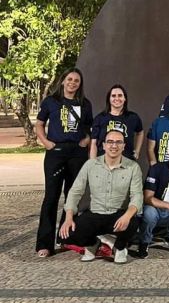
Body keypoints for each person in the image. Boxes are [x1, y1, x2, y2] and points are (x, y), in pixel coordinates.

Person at [58, 130, 143, 264]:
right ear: (103, 145)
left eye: (118, 142)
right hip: (95, 213)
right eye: (110, 142)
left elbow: (137, 196)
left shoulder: (133, 167)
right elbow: (75, 191)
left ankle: (119, 247)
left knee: (133, 223)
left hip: (118, 214)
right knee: (71, 233)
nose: (114, 146)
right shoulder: (90, 165)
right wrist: (68, 217)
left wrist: (127, 216)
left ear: (123, 146)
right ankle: (93, 243)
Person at [35, 67, 93, 258]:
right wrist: (45, 142)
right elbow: (40, 123)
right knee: (51, 197)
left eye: (76, 80)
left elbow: (90, 126)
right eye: (69, 79)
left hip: (77, 153)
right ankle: (45, 244)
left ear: (80, 84)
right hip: (56, 152)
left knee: (72, 196)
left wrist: (86, 140)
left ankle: (66, 238)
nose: (72, 83)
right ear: (63, 81)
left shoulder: (85, 104)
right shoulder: (52, 101)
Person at [89, 84, 144, 160]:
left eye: (120, 95)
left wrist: (137, 151)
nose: (117, 98)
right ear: (109, 99)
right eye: (113, 96)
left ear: (125, 98)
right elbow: (93, 143)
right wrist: (93, 163)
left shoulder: (133, 117)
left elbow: (140, 133)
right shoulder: (100, 118)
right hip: (103, 162)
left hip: (126, 161)